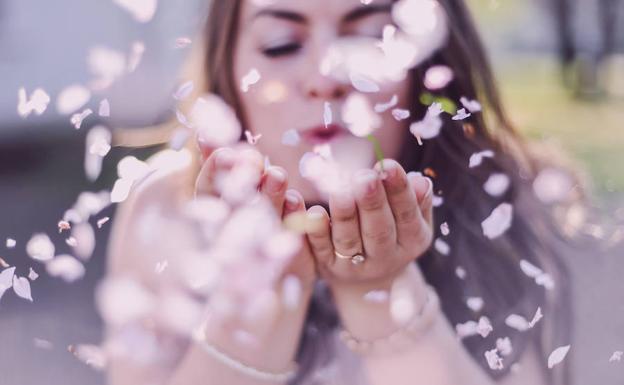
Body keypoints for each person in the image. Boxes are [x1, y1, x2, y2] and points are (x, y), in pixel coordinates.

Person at [104, 1, 576, 384]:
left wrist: (379, 289)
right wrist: (254, 303)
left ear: (428, 66)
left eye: (371, 37)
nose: (326, 77)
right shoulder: (164, 208)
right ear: (227, 69)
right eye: (281, 44)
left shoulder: (505, 199)